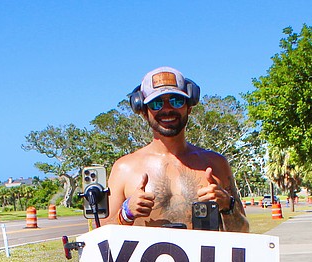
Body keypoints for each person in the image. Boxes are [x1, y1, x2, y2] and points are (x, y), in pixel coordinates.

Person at [106, 67, 250, 232]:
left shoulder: (215, 164)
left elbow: (243, 231)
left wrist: (227, 205)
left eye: (176, 101)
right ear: (144, 111)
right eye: (157, 103)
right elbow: (100, 234)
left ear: (189, 107)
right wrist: (126, 213)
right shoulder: (124, 168)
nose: (167, 109)